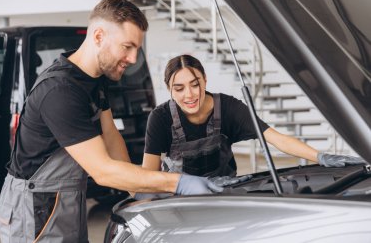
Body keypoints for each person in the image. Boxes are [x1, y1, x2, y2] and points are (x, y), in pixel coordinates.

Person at [0, 0, 222, 243]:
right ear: (99, 36)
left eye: (137, 48)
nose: (134, 58)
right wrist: (177, 183)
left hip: (64, 200)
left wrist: (141, 193)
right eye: (127, 47)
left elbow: (111, 138)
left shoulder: (93, 79)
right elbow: (103, 171)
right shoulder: (60, 91)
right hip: (34, 207)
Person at [142, 54, 366, 181]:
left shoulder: (228, 108)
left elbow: (276, 138)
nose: (189, 95)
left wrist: (321, 157)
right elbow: (148, 176)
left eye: (195, 84)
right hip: (179, 200)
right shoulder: (160, 119)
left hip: (226, 193)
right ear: (169, 89)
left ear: (205, 80)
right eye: (179, 88)